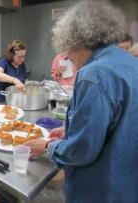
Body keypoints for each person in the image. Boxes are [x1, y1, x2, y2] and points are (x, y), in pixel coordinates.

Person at [24, 1, 138, 203]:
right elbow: (117, 122)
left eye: (66, 49)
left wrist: (47, 146)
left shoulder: (92, 75)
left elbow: (82, 150)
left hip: (99, 190)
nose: (66, 56)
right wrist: (72, 130)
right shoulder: (129, 62)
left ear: (76, 40)